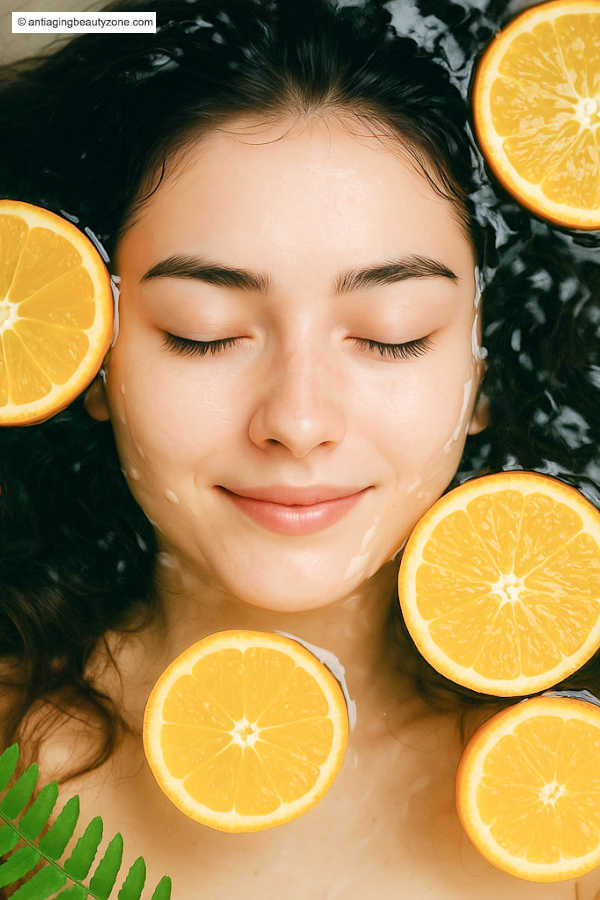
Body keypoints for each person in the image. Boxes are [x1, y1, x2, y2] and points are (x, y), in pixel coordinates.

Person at [0, 0, 599, 896]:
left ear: (485, 366)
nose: (299, 419)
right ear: (89, 352)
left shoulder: (572, 789)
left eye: (393, 335)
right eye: (204, 334)